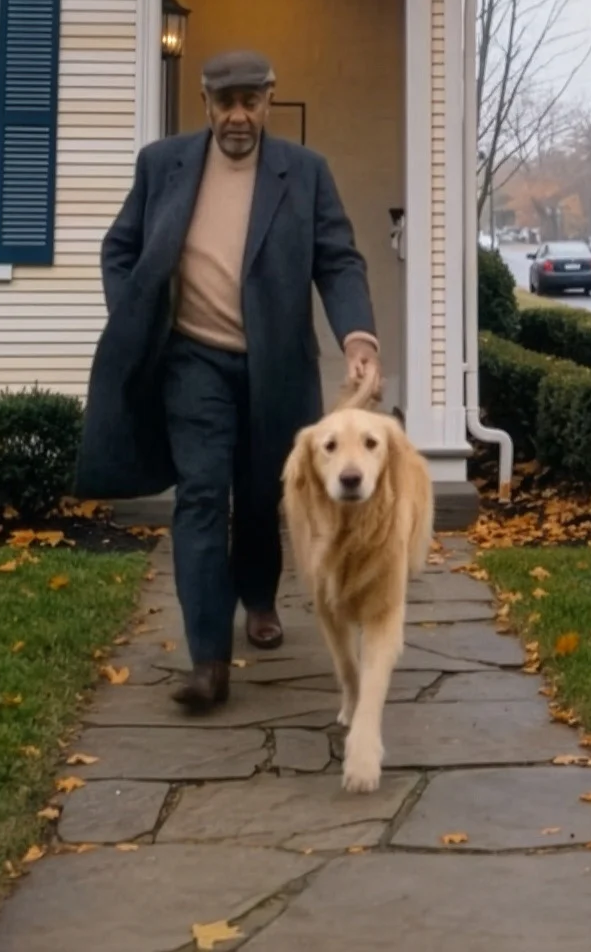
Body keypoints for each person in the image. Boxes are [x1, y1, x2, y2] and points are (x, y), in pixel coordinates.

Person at [75, 50, 378, 711]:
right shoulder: (164, 166)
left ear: (269, 99)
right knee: (203, 496)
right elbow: (119, 248)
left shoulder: (305, 173)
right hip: (192, 360)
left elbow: (339, 259)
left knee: (261, 492)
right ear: (207, 103)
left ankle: (260, 597)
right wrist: (136, 312)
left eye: (250, 101)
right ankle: (209, 659)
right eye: (225, 103)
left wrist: (357, 336)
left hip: (276, 364)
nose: (238, 116)